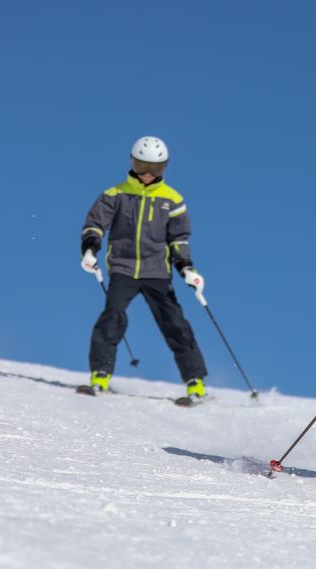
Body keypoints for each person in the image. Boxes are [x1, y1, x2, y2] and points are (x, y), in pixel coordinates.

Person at [79, 136, 209, 400]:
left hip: (157, 272)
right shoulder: (115, 195)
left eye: (156, 168)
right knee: (112, 316)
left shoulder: (172, 200)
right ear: (132, 163)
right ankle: (100, 376)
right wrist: (90, 249)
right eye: (142, 166)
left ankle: (195, 382)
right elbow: (95, 224)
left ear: (164, 168)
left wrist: (186, 268)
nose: (148, 174)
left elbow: (178, 239)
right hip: (123, 269)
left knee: (174, 322)